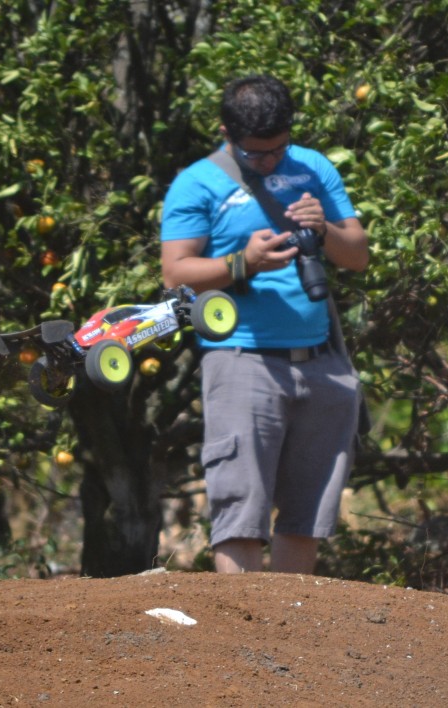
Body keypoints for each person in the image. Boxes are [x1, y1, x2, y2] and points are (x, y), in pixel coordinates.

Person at [160, 75, 369, 574]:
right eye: (256, 155)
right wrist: (242, 264)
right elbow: (175, 275)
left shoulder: (314, 166)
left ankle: (289, 638)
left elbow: (357, 255)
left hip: (320, 362)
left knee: (307, 516)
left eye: (279, 149)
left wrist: (325, 229)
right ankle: (241, 641)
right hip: (242, 362)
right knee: (241, 514)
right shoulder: (196, 182)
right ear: (226, 133)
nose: (270, 161)